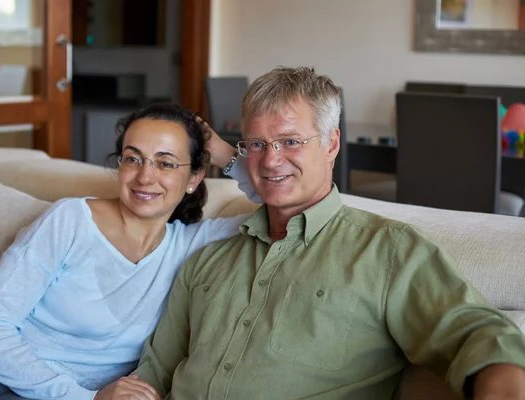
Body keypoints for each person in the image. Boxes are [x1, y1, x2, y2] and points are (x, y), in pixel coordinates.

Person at [124, 67, 525, 400]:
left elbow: (478, 334)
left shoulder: (387, 251)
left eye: (291, 141)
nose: (270, 160)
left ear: (332, 143)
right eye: (257, 144)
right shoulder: (206, 260)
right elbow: (151, 376)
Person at [0, 103, 257, 400]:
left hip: (38, 388)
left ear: (194, 178)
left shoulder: (191, 245)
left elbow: (286, 203)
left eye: (166, 164)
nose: (145, 176)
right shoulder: (71, 219)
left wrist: (224, 153)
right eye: (133, 158)